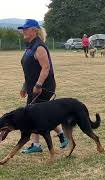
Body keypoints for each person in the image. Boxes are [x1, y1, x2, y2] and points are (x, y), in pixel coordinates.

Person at [17, 19, 68, 153]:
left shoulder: (39, 46)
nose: (23, 31)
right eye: (23, 29)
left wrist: (38, 85)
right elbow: (30, 71)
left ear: (34, 30)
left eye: (26, 29)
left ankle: (37, 145)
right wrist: (24, 86)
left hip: (43, 87)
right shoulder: (30, 46)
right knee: (38, 114)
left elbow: (46, 68)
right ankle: (61, 136)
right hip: (33, 86)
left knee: (34, 114)